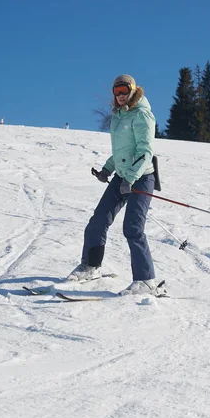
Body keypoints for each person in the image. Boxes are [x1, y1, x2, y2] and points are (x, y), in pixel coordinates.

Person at [67, 74, 164, 296]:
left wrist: (130, 178)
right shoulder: (119, 116)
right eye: (116, 91)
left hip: (141, 176)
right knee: (98, 221)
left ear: (132, 90)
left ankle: (146, 280)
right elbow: (121, 152)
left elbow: (145, 152)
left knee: (133, 228)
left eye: (123, 90)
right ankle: (90, 266)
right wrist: (107, 170)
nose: (120, 96)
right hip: (122, 175)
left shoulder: (142, 115)